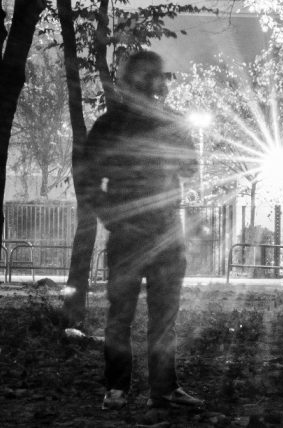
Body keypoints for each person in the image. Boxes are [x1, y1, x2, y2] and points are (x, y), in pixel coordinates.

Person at [81, 50, 205, 412]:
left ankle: (118, 390)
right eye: (159, 77)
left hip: (128, 234)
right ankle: (162, 389)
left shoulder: (108, 124)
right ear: (156, 82)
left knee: (121, 315)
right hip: (164, 230)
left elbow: (88, 179)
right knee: (162, 315)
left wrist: (112, 217)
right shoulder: (171, 122)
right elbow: (189, 169)